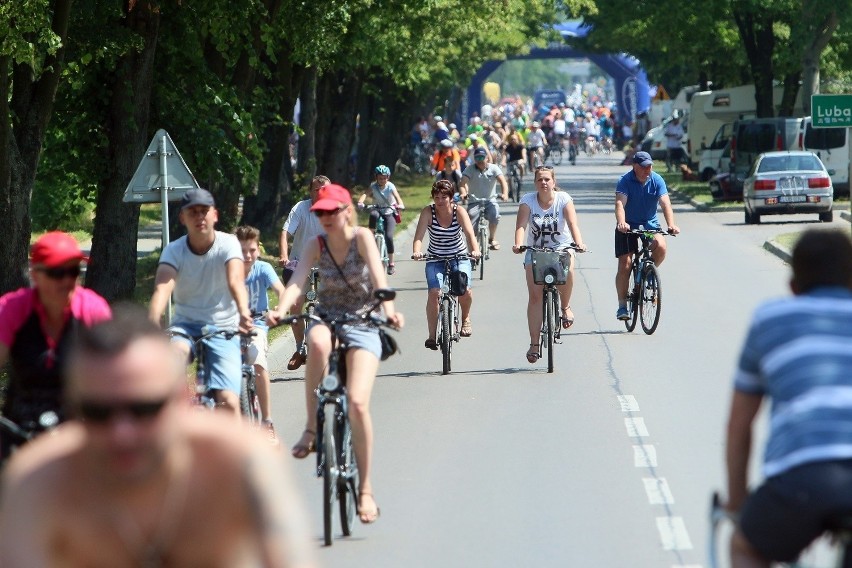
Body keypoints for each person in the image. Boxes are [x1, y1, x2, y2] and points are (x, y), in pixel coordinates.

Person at [0, 306, 316, 567]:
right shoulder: (39, 482)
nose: (121, 433)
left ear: (183, 398)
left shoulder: (239, 461)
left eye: (144, 409)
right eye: (97, 412)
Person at [267, 183, 403, 524]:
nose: (324, 217)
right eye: (320, 212)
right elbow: (297, 282)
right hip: (326, 316)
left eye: (331, 211)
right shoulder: (316, 244)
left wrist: (390, 311)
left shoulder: (362, 238)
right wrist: (281, 308)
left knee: (357, 403)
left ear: (346, 211)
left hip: (363, 320)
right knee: (315, 343)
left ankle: (366, 490)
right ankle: (312, 428)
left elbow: (377, 273)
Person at [723, 229, 852, 568]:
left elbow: (739, 424)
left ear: (793, 286)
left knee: (745, 547)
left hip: (802, 479)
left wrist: (737, 503)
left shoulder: (771, 319)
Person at [0, 232, 111, 460]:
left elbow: (113, 375)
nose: (66, 281)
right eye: (56, 273)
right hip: (19, 425)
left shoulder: (93, 310)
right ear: (35, 274)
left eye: (72, 272)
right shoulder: (11, 309)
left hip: (77, 431)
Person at [149, 188, 253, 417]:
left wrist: (244, 313)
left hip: (224, 325)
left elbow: (235, 281)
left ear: (214, 215)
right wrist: (152, 321)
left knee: (228, 401)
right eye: (192, 212)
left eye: (204, 211)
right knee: (175, 355)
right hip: (185, 326)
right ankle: (180, 412)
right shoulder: (173, 251)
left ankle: (235, 452)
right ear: (182, 218)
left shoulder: (228, 244)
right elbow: (162, 288)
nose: (199, 217)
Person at [512, 167, 587, 364]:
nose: (543, 183)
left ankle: (565, 307)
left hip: (561, 248)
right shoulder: (528, 200)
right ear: (535, 183)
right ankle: (534, 344)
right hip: (535, 250)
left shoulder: (563, 199)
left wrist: (578, 243)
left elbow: (572, 224)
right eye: (540, 180)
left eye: (547, 179)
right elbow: (521, 226)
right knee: (535, 297)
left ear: (553, 182)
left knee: (569, 268)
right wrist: (518, 244)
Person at [412, 179, 481, 346]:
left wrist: (475, 250)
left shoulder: (459, 212)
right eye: (436, 197)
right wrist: (416, 251)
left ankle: (465, 319)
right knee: (434, 293)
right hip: (435, 258)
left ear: (451, 198)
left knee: (465, 291)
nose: (440, 201)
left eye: (444, 197)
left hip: (459, 257)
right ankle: (431, 335)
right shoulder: (428, 212)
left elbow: (470, 235)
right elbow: (419, 237)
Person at [614, 151, 680, 321]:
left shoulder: (657, 180)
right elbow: (620, 203)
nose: (647, 170)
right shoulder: (625, 181)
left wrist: (671, 224)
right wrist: (622, 222)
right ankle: (622, 305)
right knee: (625, 263)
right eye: (643, 167)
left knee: (661, 246)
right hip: (627, 226)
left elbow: (665, 203)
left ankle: (649, 273)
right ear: (635, 166)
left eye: (649, 166)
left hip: (649, 225)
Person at [236, 225, 286, 445]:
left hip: (257, 325)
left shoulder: (263, 268)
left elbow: (281, 291)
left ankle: (267, 422)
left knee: (257, 364)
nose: (247, 255)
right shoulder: (226, 270)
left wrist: (278, 311)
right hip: (232, 326)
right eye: (242, 250)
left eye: (252, 250)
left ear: (259, 249)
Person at [279, 175, 329, 371]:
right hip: (300, 264)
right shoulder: (301, 208)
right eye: (316, 189)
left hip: (327, 265)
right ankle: (300, 348)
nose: (320, 193)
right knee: (295, 305)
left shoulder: (335, 209)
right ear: (310, 192)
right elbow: (285, 233)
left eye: (324, 189)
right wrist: (284, 255)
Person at [357, 165, 406, 275]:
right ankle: (370, 236)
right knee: (373, 215)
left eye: (384, 178)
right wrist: (360, 202)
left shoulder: (390, 186)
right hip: (377, 210)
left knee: (388, 236)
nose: (382, 180)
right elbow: (365, 194)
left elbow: (397, 197)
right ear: (376, 177)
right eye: (380, 178)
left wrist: (400, 204)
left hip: (389, 212)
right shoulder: (373, 186)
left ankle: (391, 263)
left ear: (388, 177)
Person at [459, 146, 509, 251]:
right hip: (474, 201)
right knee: (471, 222)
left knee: (494, 215)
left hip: (490, 200)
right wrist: (463, 193)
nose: (480, 160)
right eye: (477, 158)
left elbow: (503, 182)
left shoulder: (494, 168)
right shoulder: (470, 169)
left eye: (482, 157)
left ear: (487, 158)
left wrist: (505, 194)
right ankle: (473, 246)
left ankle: (492, 238)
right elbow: (462, 183)